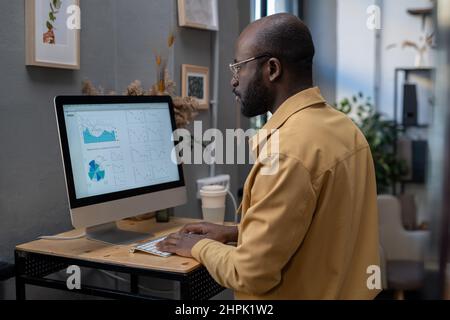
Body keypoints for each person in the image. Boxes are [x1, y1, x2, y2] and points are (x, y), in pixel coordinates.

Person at [158, 13, 380, 299]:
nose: (233, 82)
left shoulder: (288, 153)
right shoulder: (345, 129)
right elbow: (319, 229)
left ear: (272, 69)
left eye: (238, 68)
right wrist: (236, 232)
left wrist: (197, 247)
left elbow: (250, 274)